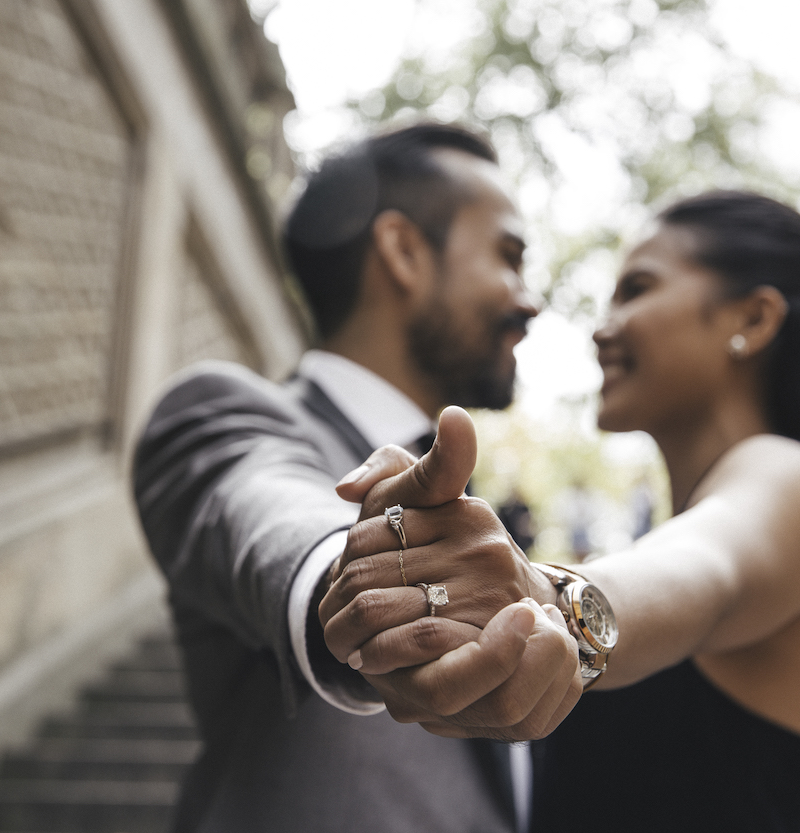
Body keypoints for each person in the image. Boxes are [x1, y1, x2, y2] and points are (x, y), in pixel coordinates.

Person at [320, 191, 800, 832]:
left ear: (753, 320)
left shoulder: (790, 478)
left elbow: (702, 569)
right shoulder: (720, 506)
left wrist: (542, 597)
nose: (601, 327)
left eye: (637, 289)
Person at [133, 123, 580, 833]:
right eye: (508, 256)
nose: (529, 300)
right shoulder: (225, 415)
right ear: (403, 251)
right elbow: (270, 518)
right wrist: (360, 583)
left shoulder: (466, 514)